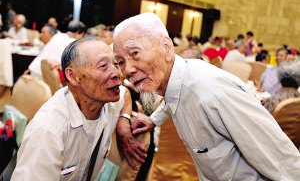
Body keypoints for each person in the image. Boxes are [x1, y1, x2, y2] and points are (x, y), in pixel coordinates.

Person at [113, 12, 300, 180]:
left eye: (135, 53)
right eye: (120, 61)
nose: (127, 69)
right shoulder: (174, 82)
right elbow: (173, 98)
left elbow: (284, 163)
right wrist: (153, 120)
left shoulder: (212, 93)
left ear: (167, 47)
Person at [11, 36, 132, 180]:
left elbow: (126, 94)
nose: (118, 74)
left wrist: (124, 119)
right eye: (103, 66)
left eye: (116, 64)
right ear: (73, 76)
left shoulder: (109, 100)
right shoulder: (48, 130)